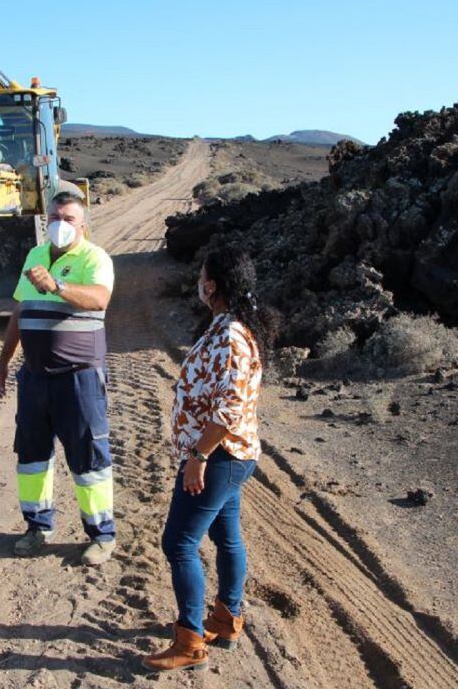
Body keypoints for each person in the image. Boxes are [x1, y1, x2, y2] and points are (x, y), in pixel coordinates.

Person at [143, 246, 277, 672]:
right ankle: (226, 619)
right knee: (226, 537)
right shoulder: (225, 327)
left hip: (218, 456)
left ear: (213, 285)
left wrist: (199, 455)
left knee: (178, 542)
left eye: (203, 275)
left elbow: (229, 408)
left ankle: (190, 642)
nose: (198, 282)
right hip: (228, 456)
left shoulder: (232, 337)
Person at [0, 191, 117, 566]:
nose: (60, 225)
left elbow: (99, 299)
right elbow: (20, 310)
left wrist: (58, 287)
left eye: (69, 219)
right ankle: (37, 527)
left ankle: (101, 535)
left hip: (77, 379)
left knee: (89, 458)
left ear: (83, 225)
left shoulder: (95, 258)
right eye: (54, 218)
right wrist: (3, 363)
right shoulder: (35, 256)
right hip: (34, 377)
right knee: (31, 457)